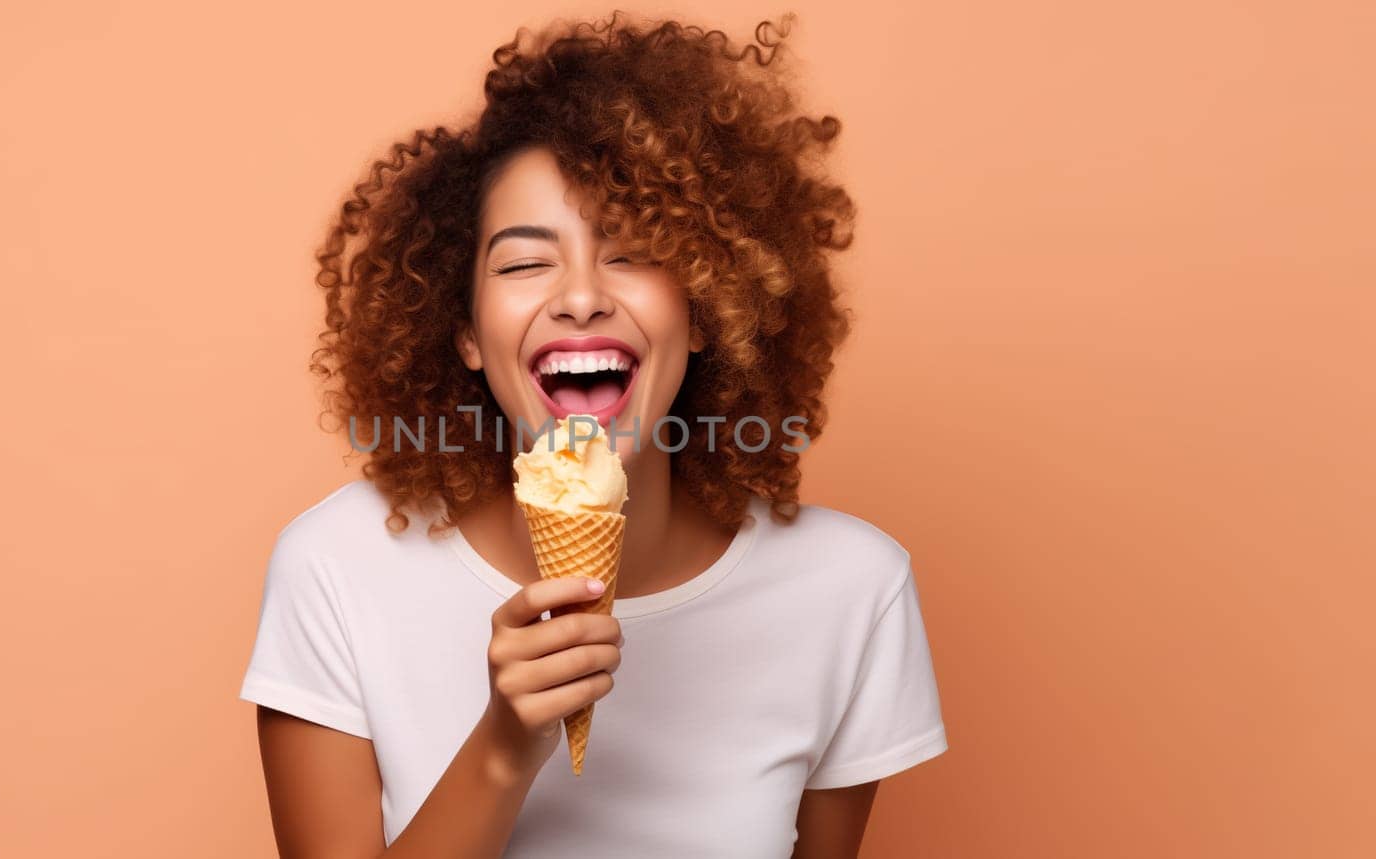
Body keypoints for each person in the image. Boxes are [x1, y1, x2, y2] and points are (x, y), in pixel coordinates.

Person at [239, 13, 947, 858]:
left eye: (634, 254)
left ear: (705, 311)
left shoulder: (851, 590)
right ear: (465, 331)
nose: (579, 297)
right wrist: (503, 750)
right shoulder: (337, 568)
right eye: (524, 262)